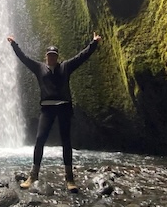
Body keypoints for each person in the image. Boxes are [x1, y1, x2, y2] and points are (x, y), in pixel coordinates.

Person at [7, 32, 101, 192]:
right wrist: (14, 44)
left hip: (64, 106)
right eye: (49, 55)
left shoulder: (65, 66)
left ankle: (69, 177)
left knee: (66, 141)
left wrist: (94, 43)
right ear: (46, 56)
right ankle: (33, 175)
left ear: (57, 57)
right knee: (40, 139)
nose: (51, 57)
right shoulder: (39, 68)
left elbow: (81, 57)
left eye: (54, 55)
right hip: (47, 108)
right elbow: (24, 58)